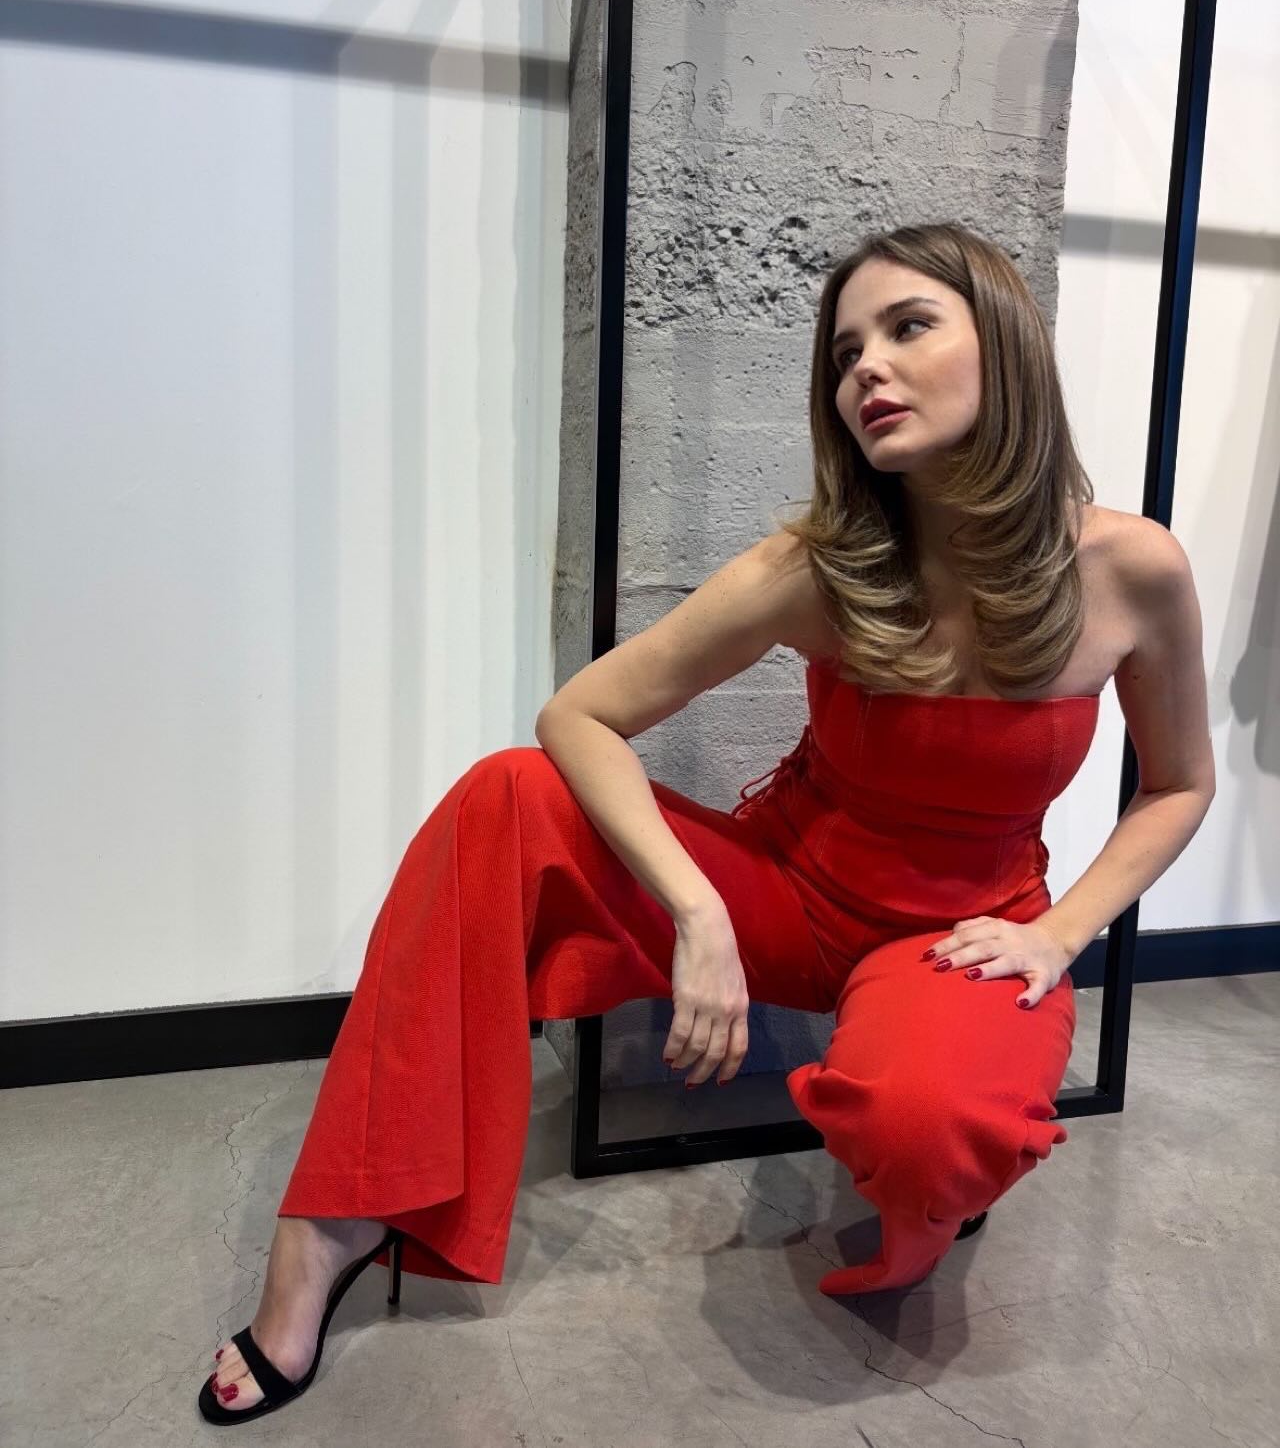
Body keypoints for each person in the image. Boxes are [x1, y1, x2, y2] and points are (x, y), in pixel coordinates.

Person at [200, 221, 1215, 1423]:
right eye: (843, 353)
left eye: (906, 327)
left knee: (931, 1126)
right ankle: (337, 1217)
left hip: (958, 935)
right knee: (504, 794)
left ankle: (936, 1152)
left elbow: (1175, 783)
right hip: (782, 893)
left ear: (1003, 342)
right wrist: (697, 910)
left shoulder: (1130, 569)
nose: (866, 370)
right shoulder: (816, 565)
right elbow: (578, 715)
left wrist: (1058, 934)